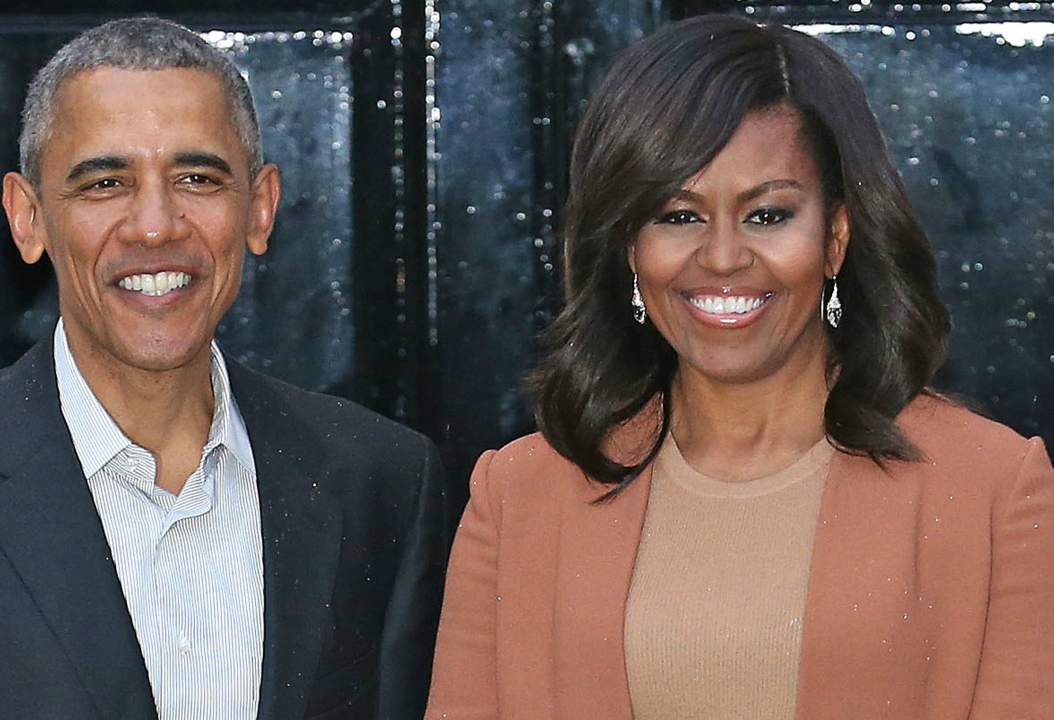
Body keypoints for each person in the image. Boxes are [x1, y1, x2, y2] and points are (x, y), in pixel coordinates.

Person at [0, 17, 446, 720]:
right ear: (28, 218)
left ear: (260, 206)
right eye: (104, 183)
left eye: (196, 177)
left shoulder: (383, 482)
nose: (155, 225)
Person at [425, 14, 1054, 720]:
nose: (723, 257)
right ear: (629, 247)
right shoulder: (519, 496)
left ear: (836, 238)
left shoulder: (993, 489)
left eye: (767, 215)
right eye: (677, 215)